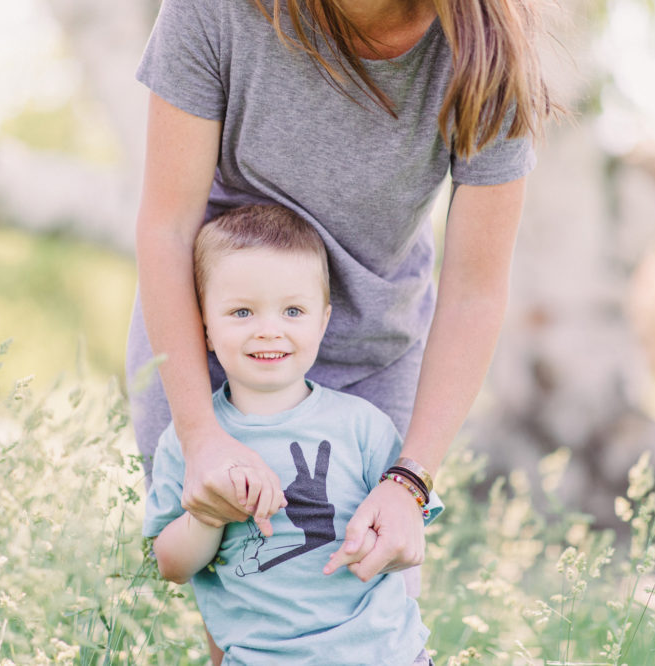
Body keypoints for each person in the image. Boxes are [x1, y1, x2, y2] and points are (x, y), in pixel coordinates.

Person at [125, 0, 550, 659]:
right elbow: (166, 230)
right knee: (250, 625)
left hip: (373, 356)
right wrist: (201, 434)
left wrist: (411, 480)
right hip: (218, 344)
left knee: (378, 619)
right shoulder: (215, 11)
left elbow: (474, 291)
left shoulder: (490, 52)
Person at [144, 204, 443, 665]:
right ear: (202, 326)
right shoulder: (192, 441)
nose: (269, 330)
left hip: (384, 654)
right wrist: (209, 515)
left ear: (322, 322)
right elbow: (172, 565)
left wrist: (374, 545)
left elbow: (407, 541)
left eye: (292, 311)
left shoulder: (362, 426)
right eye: (242, 311)